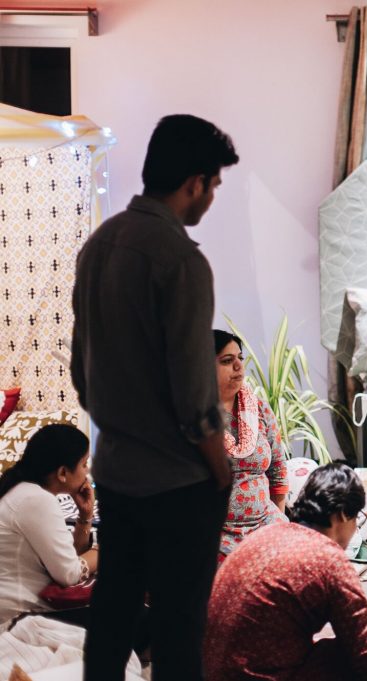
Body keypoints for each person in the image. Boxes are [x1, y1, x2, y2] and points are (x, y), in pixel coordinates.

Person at [71, 114, 239, 681]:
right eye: (213, 184)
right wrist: (221, 471)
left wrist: (121, 429)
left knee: (113, 614)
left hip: (117, 471)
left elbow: (80, 372)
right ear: (193, 181)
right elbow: (197, 400)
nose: (212, 197)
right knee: (178, 630)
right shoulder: (182, 261)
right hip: (178, 485)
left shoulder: (98, 246)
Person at [203, 462, 367, 681]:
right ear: (343, 514)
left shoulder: (265, 534)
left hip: (211, 672)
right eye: (358, 518)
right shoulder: (329, 559)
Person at [0, 425, 97, 627]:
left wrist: (85, 516)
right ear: (63, 472)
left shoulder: (21, 490)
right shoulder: (37, 500)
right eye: (84, 464)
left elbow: (66, 558)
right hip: (19, 616)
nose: (87, 471)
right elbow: (69, 575)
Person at [213, 330, 288, 561]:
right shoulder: (191, 416)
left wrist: (279, 523)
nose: (239, 366)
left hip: (265, 521)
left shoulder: (259, 408)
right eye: (227, 361)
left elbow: (277, 469)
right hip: (215, 533)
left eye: (240, 358)